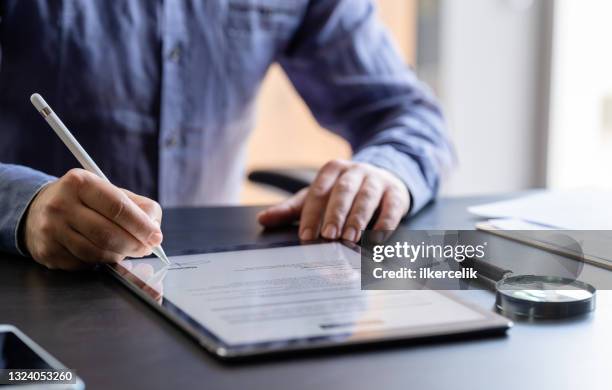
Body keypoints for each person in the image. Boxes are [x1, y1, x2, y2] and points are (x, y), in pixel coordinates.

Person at [0, 0, 453, 270]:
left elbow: (407, 114)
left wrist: (382, 172)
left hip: (200, 283)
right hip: (35, 281)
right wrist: (25, 204)